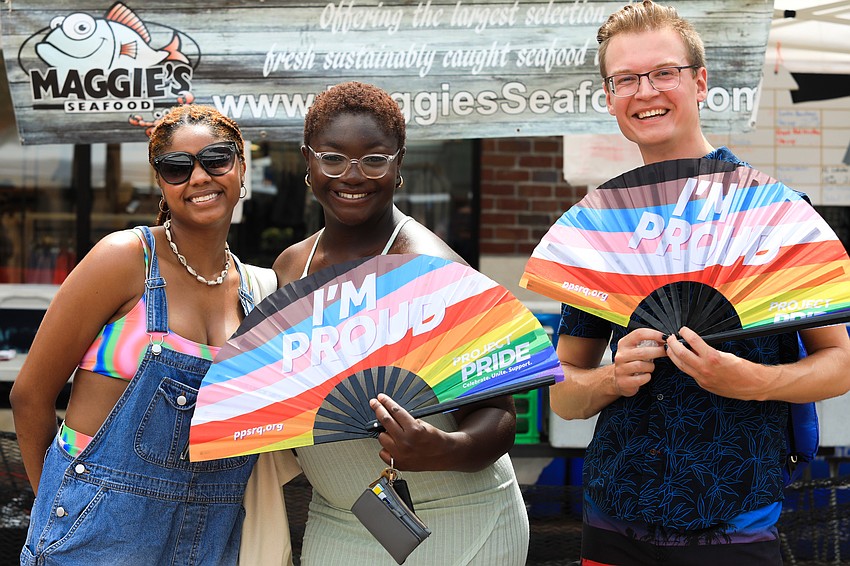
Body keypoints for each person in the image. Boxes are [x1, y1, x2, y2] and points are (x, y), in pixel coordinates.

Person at [549, 2, 850, 564]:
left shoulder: (776, 214)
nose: (646, 91)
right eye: (626, 79)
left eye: (664, 72)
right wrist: (613, 378)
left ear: (700, 81)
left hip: (736, 522)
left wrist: (753, 380)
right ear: (610, 97)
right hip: (614, 518)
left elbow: (840, 363)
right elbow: (563, 394)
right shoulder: (601, 228)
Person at [10, 104, 285, 565]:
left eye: (216, 159)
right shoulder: (126, 259)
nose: (198, 178)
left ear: (241, 167)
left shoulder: (256, 292)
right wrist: (55, 515)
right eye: (176, 168)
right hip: (94, 540)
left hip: (208, 539)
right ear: (161, 182)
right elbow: (30, 395)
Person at [273, 81, 529, 565]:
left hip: (459, 517)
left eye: (374, 159)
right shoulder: (291, 268)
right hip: (341, 516)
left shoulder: (429, 269)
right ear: (308, 164)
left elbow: (501, 416)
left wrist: (446, 446)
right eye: (332, 158)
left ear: (399, 165)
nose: (353, 176)